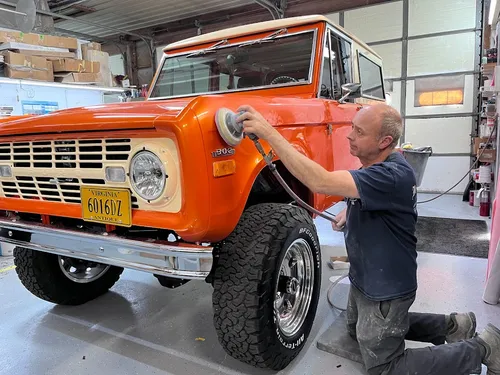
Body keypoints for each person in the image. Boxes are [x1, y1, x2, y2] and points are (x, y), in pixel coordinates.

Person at [236, 103, 500, 375]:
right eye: (352, 127)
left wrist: (270, 134)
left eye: (359, 132)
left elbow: (321, 182)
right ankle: (453, 326)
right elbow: (371, 195)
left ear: (384, 141)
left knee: (384, 367)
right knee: (355, 329)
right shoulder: (380, 163)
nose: (350, 135)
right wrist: (351, 214)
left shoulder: (391, 175)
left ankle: (483, 348)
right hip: (366, 276)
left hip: (386, 287)